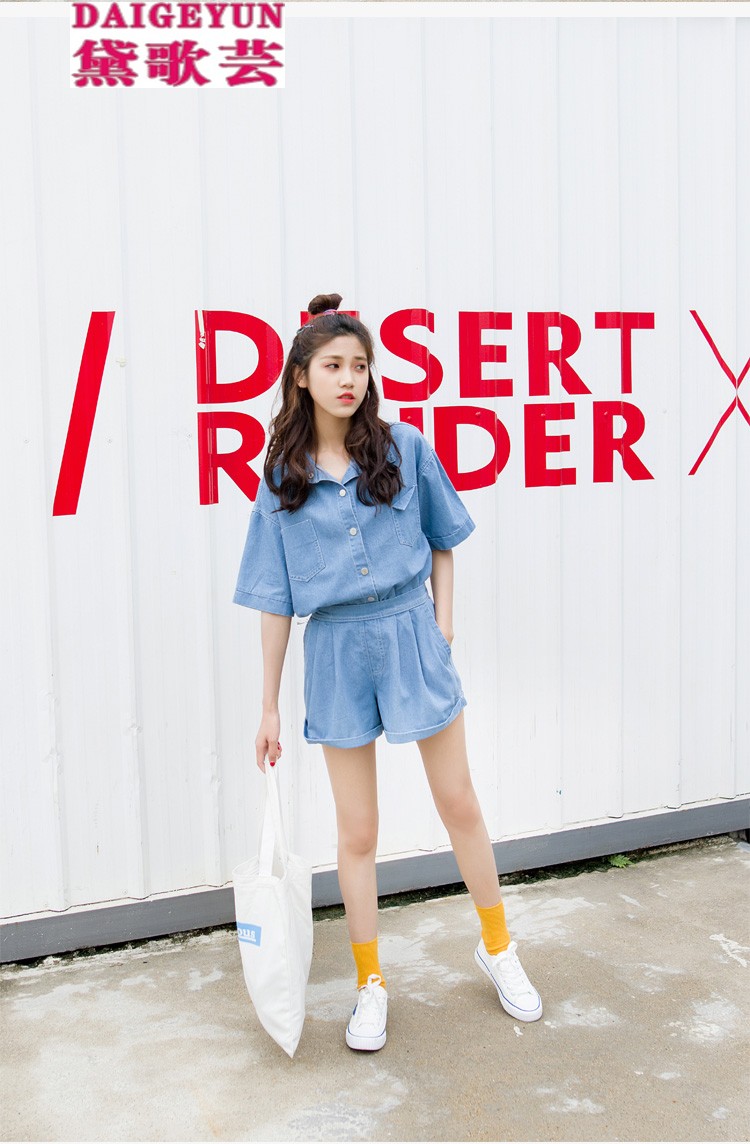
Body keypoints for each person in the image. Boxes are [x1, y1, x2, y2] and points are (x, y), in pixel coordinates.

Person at [233, 292, 543, 1052]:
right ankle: (370, 983)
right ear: (302, 376)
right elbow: (274, 601)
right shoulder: (282, 479)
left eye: (360, 366)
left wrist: (442, 624)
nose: (350, 379)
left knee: (459, 801)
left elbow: (443, 538)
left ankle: (497, 946)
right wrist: (268, 706)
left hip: (411, 633)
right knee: (359, 831)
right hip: (337, 651)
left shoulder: (404, 447)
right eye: (333, 366)